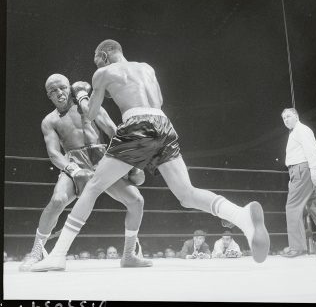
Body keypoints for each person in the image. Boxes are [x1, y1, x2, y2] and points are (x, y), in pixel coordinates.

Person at [31, 39, 270, 271]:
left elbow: (91, 114)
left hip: (137, 125)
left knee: (93, 186)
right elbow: (158, 101)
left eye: (98, 62)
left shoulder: (102, 73)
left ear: (103, 56)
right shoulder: (147, 68)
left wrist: (83, 95)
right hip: (164, 124)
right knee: (186, 194)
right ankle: (241, 215)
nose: (99, 68)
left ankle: (58, 255)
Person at [21, 73, 151, 271]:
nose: (59, 93)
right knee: (57, 201)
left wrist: (129, 161)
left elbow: (113, 131)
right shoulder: (50, 121)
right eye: (53, 91)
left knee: (136, 200)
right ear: (49, 95)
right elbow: (55, 154)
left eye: (62, 88)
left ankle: (128, 255)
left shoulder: (88, 107)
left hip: (102, 159)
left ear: (69, 88)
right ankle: (36, 252)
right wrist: (73, 170)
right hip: (74, 162)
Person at [280, 108, 316, 258]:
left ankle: (297, 247)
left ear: (296, 116)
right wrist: (313, 171)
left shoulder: (301, 130)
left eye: (288, 116)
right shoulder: (297, 131)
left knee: (292, 206)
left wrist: (314, 171)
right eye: (283, 118)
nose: (286, 120)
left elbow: (312, 151)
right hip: (304, 170)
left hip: (302, 170)